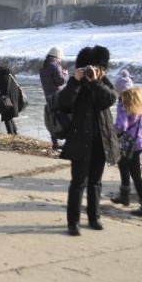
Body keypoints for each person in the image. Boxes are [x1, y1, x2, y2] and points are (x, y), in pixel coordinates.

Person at [58, 46, 119, 236]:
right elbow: (64, 103)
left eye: (97, 68)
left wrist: (95, 82)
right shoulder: (75, 84)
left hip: (101, 142)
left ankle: (94, 217)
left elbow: (110, 99)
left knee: (96, 182)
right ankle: (73, 222)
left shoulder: (103, 82)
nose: (92, 71)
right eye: (88, 68)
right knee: (78, 182)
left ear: (102, 69)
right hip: (79, 140)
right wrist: (75, 82)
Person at [109, 70, 142, 217]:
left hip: (130, 142)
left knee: (135, 174)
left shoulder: (123, 102)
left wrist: (111, 133)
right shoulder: (140, 101)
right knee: (123, 163)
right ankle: (124, 195)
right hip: (141, 142)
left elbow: (121, 126)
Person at [39, 46, 67, 149]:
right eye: (60, 58)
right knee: (64, 117)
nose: (60, 60)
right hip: (58, 96)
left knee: (52, 118)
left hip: (48, 96)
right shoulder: (55, 66)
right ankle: (68, 140)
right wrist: (65, 75)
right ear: (56, 56)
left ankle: (55, 142)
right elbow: (60, 81)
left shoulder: (43, 67)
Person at [0, 64, 27, 134]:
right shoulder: (10, 71)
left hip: (6, 96)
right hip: (16, 95)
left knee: (6, 116)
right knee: (10, 115)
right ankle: (15, 132)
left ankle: (10, 133)